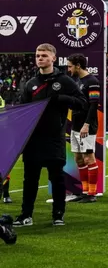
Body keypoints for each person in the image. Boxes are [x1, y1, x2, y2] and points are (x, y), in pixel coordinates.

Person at [14, 43, 87, 227]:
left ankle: (58, 215)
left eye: (44, 55)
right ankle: (26, 215)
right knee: (30, 179)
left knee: (57, 178)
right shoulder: (30, 83)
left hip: (54, 138)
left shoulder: (64, 81)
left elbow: (82, 102)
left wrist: (61, 98)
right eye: (38, 55)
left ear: (53, 58)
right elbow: (22, 111)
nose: (40, 58)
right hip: (33, 139)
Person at [67, 53, 102, 203]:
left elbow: (94, 105)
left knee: (89, 157)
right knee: (78, 158)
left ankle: (92, 194)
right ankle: (84, 191)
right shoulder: (76, 80)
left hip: (86, 125)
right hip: (75, 124)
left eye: (70, 66)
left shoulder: (92, 81)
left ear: (78, 66)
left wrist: (86, 125)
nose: (68, 69)